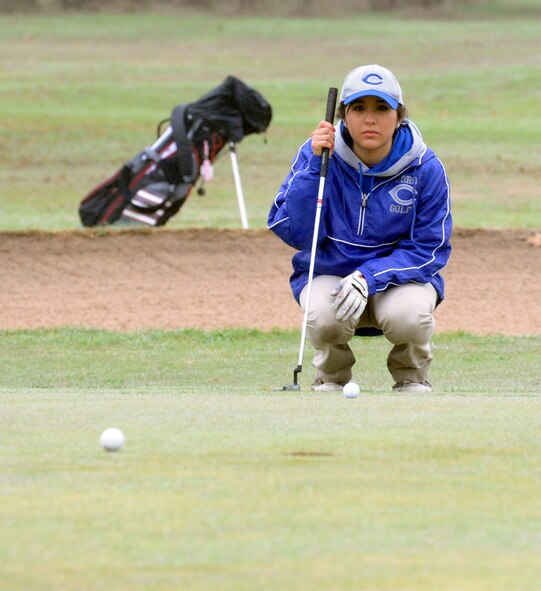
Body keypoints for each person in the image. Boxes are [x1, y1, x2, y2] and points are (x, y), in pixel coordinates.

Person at [268, 64, 452, 392]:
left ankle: (411, 377)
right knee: (323, 315)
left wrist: (369, 276)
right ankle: (331, 377)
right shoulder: (317, 156)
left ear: (399, 117)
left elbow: (429, 251)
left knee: (409, 316)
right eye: (359, 108)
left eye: (382, 108)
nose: (370, 119)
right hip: (332, 276)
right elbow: (294, 231)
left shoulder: (426, 168)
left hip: (398, 283)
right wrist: (314, 165)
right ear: (343, 116)